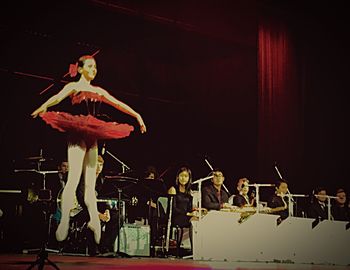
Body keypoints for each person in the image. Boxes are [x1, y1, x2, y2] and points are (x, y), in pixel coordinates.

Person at [31, 55, 146, 244]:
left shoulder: (98, 90)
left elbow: (117, 103)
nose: (94, 70)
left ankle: (94, 219)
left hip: (92, 136)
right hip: (77, 133)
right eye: (90, 66)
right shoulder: (74, 87)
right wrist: (42, 106)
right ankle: (65, 220)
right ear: (81, 68)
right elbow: (57, 97)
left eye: (95, 67)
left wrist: (137, 115)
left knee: (90, 186)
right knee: (74, 179)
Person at [168, 166, 193, 257]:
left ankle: (195, 249)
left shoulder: (189, 192)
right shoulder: (173, 189)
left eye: (186, 176)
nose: (183, 178)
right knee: (193, 222)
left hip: (186, 216)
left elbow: (189, 209)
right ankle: (193, 249)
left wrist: (193, 212)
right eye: (181, 176)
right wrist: (187, 214)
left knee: (196, 220)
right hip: (176, 217)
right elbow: (172, 209)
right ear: (178, 177)